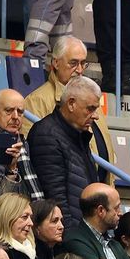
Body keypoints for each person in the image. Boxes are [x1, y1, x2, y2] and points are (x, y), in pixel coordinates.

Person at [27, 75, 101, 220]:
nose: (96, 116)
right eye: (90, 109)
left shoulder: (78, 134)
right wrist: (70, 239)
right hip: (67, 234)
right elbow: (55, 197)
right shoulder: (46, 134)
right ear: (71, 104)